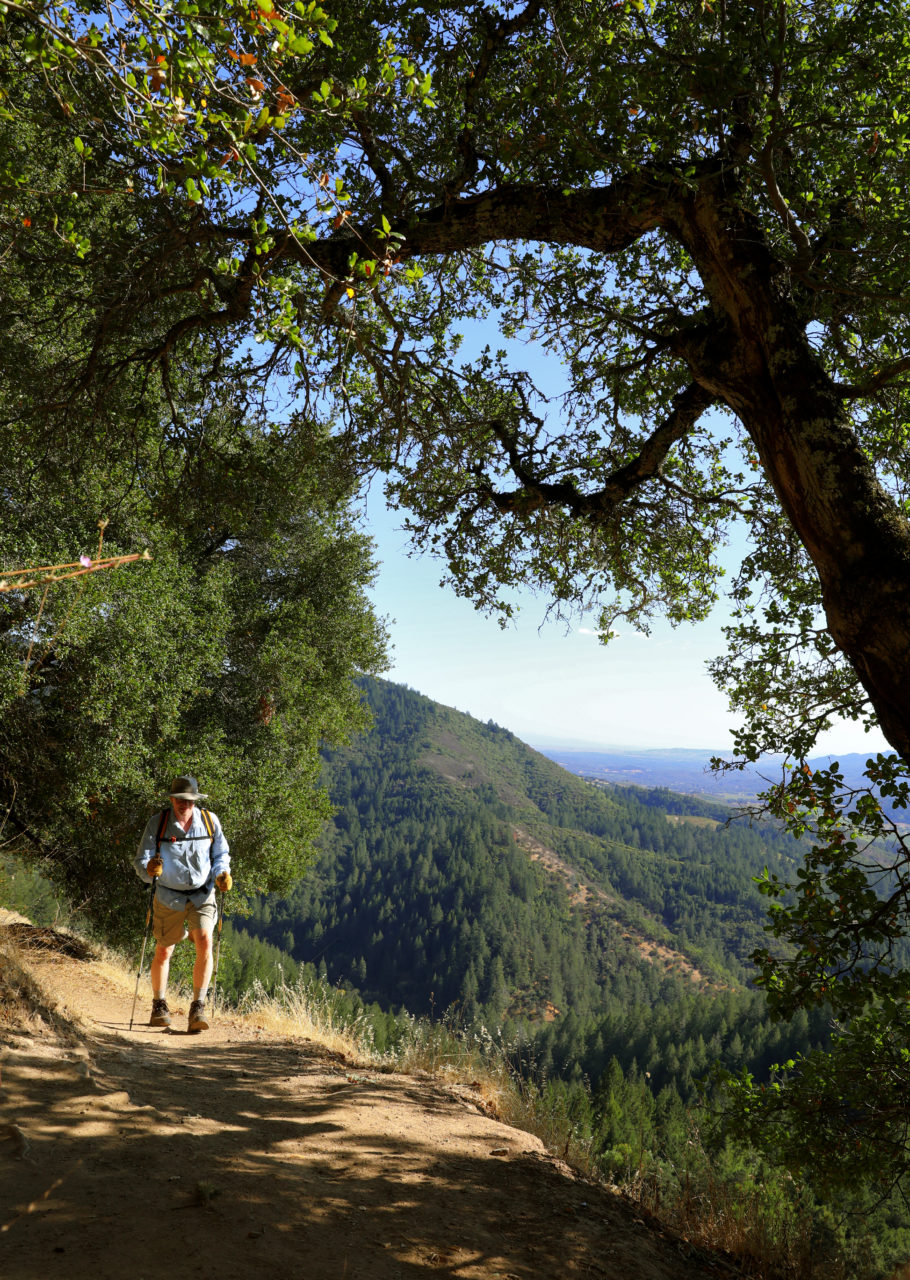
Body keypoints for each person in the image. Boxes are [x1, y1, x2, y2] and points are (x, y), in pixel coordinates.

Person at [134, 775, 232, 1033]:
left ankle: (198, 1007)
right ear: (171, 799)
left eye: (188, 801)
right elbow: (141, 861)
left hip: (203, 894)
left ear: (195, 801)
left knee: (204, 941)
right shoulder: (158, 824)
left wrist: (222, 874)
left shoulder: (210, 822)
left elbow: (221, 854)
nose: (183, 805)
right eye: (179, 800)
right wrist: (149, 869)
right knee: (164, 950)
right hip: (168, 895)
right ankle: (159, 1005)